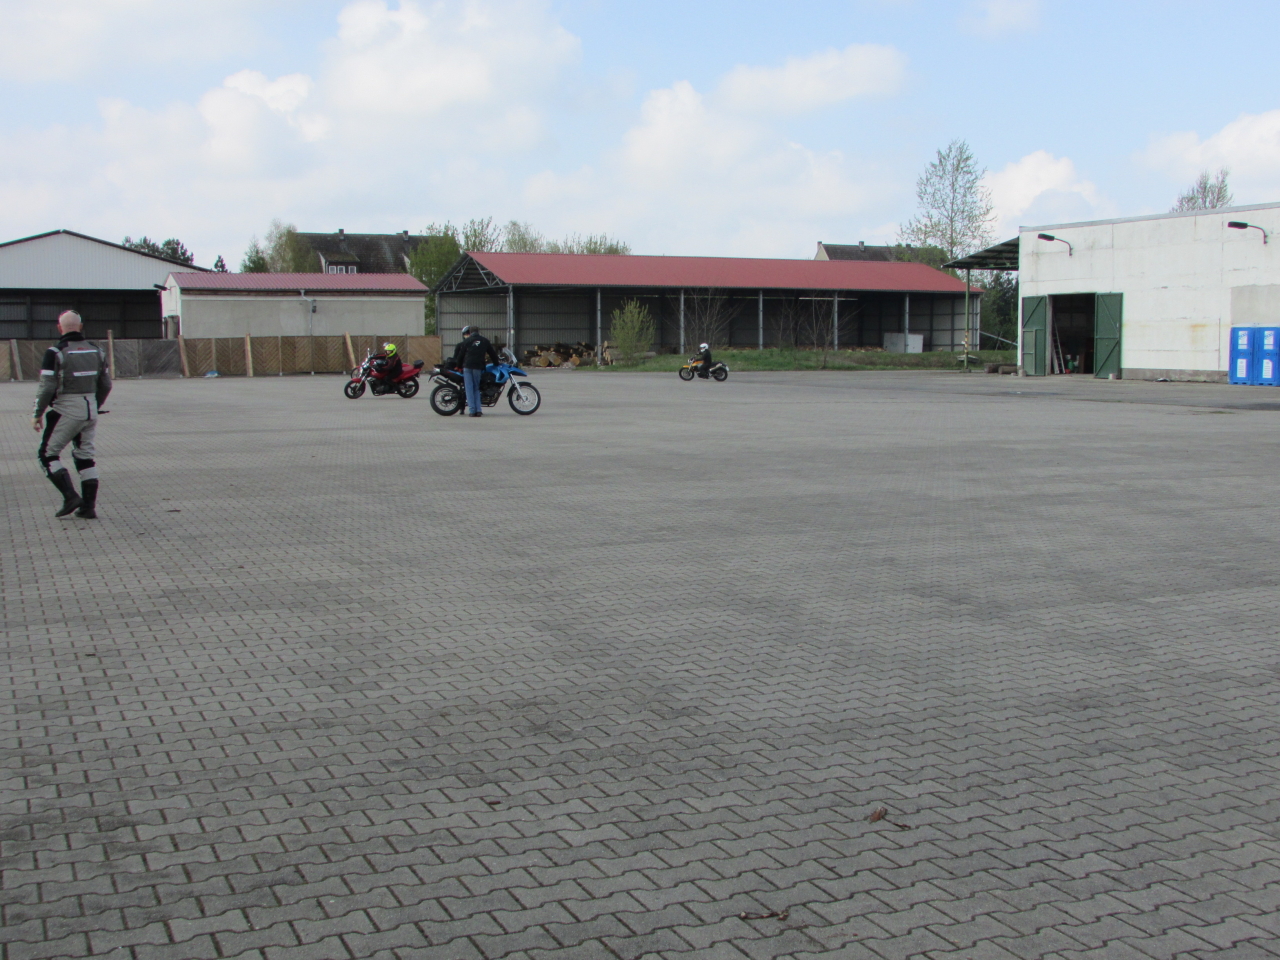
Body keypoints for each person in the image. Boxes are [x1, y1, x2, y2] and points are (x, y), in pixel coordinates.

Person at [32, 310, 111, 519]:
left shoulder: (55, 352)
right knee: (85, 456)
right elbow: (106, 384)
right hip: (91, 407)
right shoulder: (97, 351)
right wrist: (95, 404)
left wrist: (37, 413)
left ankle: (70, 497)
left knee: (47, 455)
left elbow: (47, 387)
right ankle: (88, 507)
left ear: (59, 328)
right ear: (81, 327)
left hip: (66, 407)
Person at [452, 325, 499, 417]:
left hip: (467, 366)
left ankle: (472, 411)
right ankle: (478, 410)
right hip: (478, 367)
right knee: (476, 388)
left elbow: (461, 355)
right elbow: (492, 353)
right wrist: (496, 363)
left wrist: (458, 366)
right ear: (478, 331)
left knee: (469, 388)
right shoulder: (485, 341)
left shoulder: (467, 341)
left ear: (470, 332)